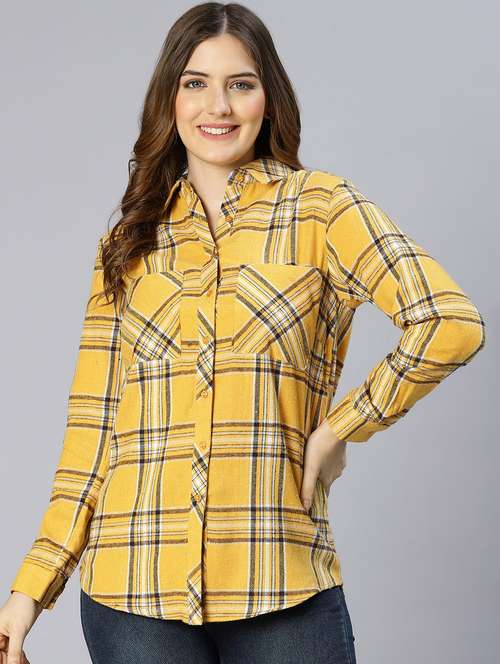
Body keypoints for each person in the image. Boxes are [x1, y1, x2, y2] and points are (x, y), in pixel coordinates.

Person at [1, 2, 486, 663]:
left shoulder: (322, 209)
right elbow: (93, 432)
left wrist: (342, 427)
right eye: (195, 83)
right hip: (132, 593)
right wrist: (29, 591)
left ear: (268, 97)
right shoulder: (128, 243)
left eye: (241, 83)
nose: (218, 106)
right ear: (170, 99)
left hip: (280, 581)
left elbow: (448, 321)